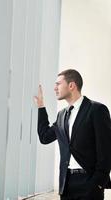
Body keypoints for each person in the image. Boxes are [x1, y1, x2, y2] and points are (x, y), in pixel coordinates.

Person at [34, 69, 111, 200]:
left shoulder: (97, 110)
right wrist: (41, 107)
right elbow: (45, 137)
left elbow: (106, 149)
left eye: (58, 84)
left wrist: (98, 183)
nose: (55, 88)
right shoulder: (61, 115)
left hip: (89, 182)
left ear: (71, 85)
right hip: (67, 184)